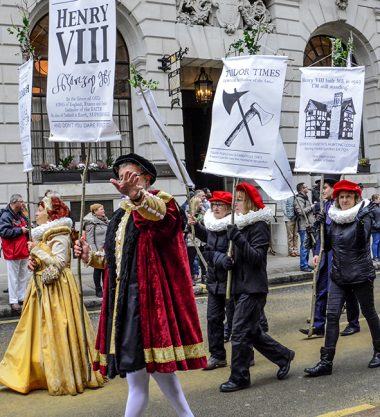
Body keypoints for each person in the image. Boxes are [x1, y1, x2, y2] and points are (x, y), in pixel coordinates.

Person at [75, 153, 206, 417]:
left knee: (141, 376)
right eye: (121, 177)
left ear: (146, 178)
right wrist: (90, 256)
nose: (125, 181)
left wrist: (137, 196)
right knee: (148, 375)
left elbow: (159, 219)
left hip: (147, 304)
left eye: (131, 176)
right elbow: (115, 259)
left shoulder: (163, 204)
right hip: (125, 303)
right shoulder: (120, 215)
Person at [0, 195, 103, 395]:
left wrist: (37, 251)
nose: (36, 213)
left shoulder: (61, 233)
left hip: (58, 291)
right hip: (41, 291)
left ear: (49, 213)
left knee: (57, 332)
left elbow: (58, 265)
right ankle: (34, 371)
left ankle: (61, 373)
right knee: (33, 333)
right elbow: (44, 262)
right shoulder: (44, 235)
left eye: (39, 210)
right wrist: (34, 263)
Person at [219, 182, 295, 393]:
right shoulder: (240, 226)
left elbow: (257, 258)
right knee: (252, 332)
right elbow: (240, 258)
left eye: (240, 201)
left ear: (250, 203)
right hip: (239, 286)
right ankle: (283, 356)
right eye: (235, 201)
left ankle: (239, 377)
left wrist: (238, 239)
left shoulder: (259, 225)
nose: (235, 205)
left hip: (253, 288)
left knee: (239, 332)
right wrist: (228, 261)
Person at [304, 180, 380, 377]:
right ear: (337, 199)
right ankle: (326, 361)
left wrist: (361, 221)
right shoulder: (335, 217)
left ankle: (379, 351)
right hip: (338, 275)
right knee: (331, 316)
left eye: (348, 196)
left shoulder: (364, 214)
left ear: (355, 197)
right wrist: (317, 230)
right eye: (341, 197)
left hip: (360, 274)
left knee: (369, 313)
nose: (345, 200)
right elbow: (328, 246)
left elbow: (360, 243)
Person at [299, 176, 359, 337]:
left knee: (348, 290)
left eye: (324, 188)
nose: (322, 191)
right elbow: (322, 235)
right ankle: (318, 325)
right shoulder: (323, 205)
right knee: (321, 288)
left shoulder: (342, 206)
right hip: (326, 253)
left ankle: (353, 323)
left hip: (340, 254)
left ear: (334, 188)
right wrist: (318, 251)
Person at [188, 190, 232, 370]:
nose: (215, 208)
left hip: (231, 282)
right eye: (213, 205)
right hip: (214, 281)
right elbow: (208, 238)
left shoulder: (234, 225)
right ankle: (217, 355)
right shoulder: (212, 224)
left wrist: (212, 256)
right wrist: (196, 227)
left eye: (219, 205)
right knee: (213, 319)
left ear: (228, 208)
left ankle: (245, 354)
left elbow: (231, 255)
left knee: (236, 321)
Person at [0, 194, 29, 313]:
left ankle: (21, 297)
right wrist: (20, 230)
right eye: (21, 201)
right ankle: (13, 300)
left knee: (23, 275)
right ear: (14, 202)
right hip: (12, 251)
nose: (23, 203)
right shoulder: (6, 215)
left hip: (23, 250)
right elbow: (4, 232)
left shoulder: (21, 214)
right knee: (13, 277)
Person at [83, 203, 109, 297]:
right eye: (101, 209)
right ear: (95, 211)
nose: (104, 210)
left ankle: (106, 288)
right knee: (98, 270)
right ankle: (98, 289)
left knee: (106, 270)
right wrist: (95, 252)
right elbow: (90, 238)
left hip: (106, 249)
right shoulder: (90, 222)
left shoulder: (105, 220)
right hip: (98, 250)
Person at [294, 183, 316, 272]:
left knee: (307, 246)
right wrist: (311, 207)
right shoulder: (299, 199)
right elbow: (300, 212)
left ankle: (305, 264)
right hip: (304, 226)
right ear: (302, 189)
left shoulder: (305, 197)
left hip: (309, 225)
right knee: (304, 246)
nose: (308, 188)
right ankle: (303, 266)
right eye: (306, 187)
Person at [370, 194, 380, 261]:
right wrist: (375, 225)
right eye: (379, 198)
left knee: (379, 242)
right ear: (375, 199)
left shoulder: (378, 206)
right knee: (375, 242)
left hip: (379, 227)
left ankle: (379, 256)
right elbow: (371, 218)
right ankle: (375, 256)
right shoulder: (371, 207)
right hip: (375, 229)